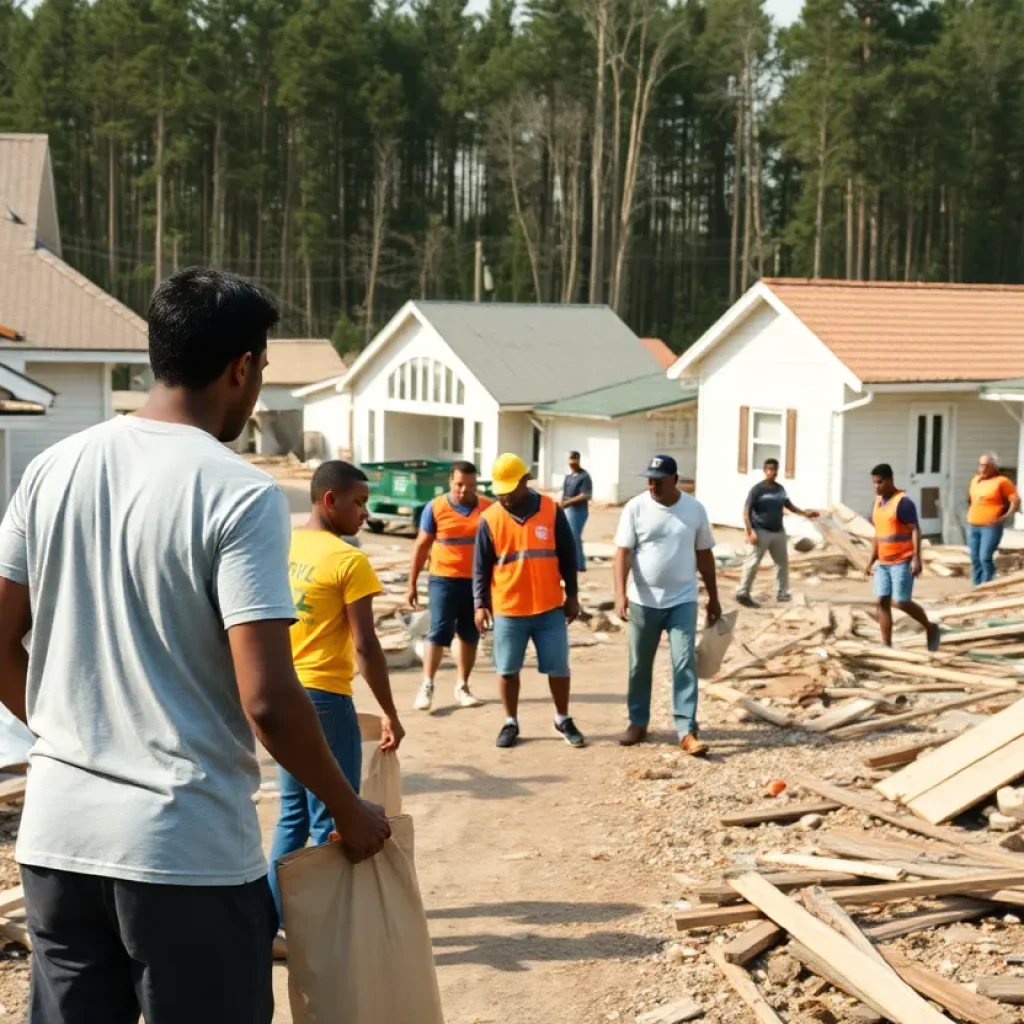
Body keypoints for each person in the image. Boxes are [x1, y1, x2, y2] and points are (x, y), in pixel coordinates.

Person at [0, 268, 389, 1024]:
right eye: (262, 369)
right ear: (240, 367)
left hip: (58, 839)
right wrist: (346, 807)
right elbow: (270, 698)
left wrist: (62, 732)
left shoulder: (52, 469)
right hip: (185, 852)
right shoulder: (235, 491)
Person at [269, 460, 405, 929]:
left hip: (282, 692)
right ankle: (328, 925)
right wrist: (390, 711)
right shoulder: (349, 560)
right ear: (331, 500)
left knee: (291, 815)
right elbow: (366, 645)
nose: (364, 512)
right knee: (335, 815)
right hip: (325, 698)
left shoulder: (282, 546)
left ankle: (271, 923)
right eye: (359, 502)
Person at [473, 453, 585, 749]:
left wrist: (572, 596)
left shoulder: (551, 510)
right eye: (501, 490)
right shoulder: (490, 518)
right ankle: (510, 722)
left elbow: (567, 555)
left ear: (525, 481)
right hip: (509, 609)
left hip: (549, 608)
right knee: (507, 670)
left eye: (511, 488)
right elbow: (481, 567)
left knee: (559, 668)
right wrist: (479, 603)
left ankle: (562, 718)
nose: (505, 496)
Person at [613, 455, 721, 755]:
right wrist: (620, 594)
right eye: (649, 479)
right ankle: (637, 722)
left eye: (658, 480)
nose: (652, 485)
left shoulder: (694, 509)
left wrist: (713, 597)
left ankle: (687, 730)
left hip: (682, 600)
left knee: (683, 662)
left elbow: (704, 555)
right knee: (639, 665)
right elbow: (622, 553)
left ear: (675, 479)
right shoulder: (635, 507)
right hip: (643, 601)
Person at [407, 461, 491, 711]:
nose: (464, 490)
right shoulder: (435, 508)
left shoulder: (488, 508)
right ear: (450, 482)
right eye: (459, 485)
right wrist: (411, 583)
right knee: (439, 631)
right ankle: (427, 685)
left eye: (471, 485)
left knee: (469, 633)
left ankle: (463, 686)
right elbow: (422, 546)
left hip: (476, 582)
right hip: (443, 579)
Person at [866, 463, 940, 651]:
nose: (877, 486)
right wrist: (871, 559)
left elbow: (915, 529)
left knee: (901, 601)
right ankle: (886, 643)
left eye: (880, 482)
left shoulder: (903, 503)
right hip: (883, 562)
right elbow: (878, 533)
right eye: (874, 483)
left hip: (902, 560)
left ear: (890, 480)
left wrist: (917, 557)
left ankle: (930, 627)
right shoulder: (877, 502)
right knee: (882, 601)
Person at [736, 457, 819, 607]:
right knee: (753, 562)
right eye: (769, 470)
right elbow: (746, 512)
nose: (771, 473)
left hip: (778, 531)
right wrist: (750, 532)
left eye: (774, 470)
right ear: (764, 471)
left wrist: (805, 514)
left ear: (777, 471)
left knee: (782, 563)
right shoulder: (757, 490)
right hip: (760, 531)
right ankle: (743, 592)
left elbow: (790, 506)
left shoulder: (779, 489)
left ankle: (782, 592)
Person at [967, 452, 1020, 586]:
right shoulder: (975, 480)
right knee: (975, 558)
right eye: (981, 465)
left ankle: (988, 584)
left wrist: (1005, 516)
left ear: (993, 466)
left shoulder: (1002, 481)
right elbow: (972, 499)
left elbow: (1015, 500)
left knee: (985, 557)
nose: (982, 468)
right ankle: (976, 585)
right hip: (973, 524)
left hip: (990, 526)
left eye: (986, 466)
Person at [561, 451, 592, 574]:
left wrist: (568, 502)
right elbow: (564, 494)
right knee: (567, 537)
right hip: (567, 508)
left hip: (578, 510)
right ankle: (570, 561)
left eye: (574, 463)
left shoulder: (584, 476)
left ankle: (579, 564)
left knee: (575, 537)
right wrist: (561, 505)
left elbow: (585, 495)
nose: (572, 465)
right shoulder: (569, 477)